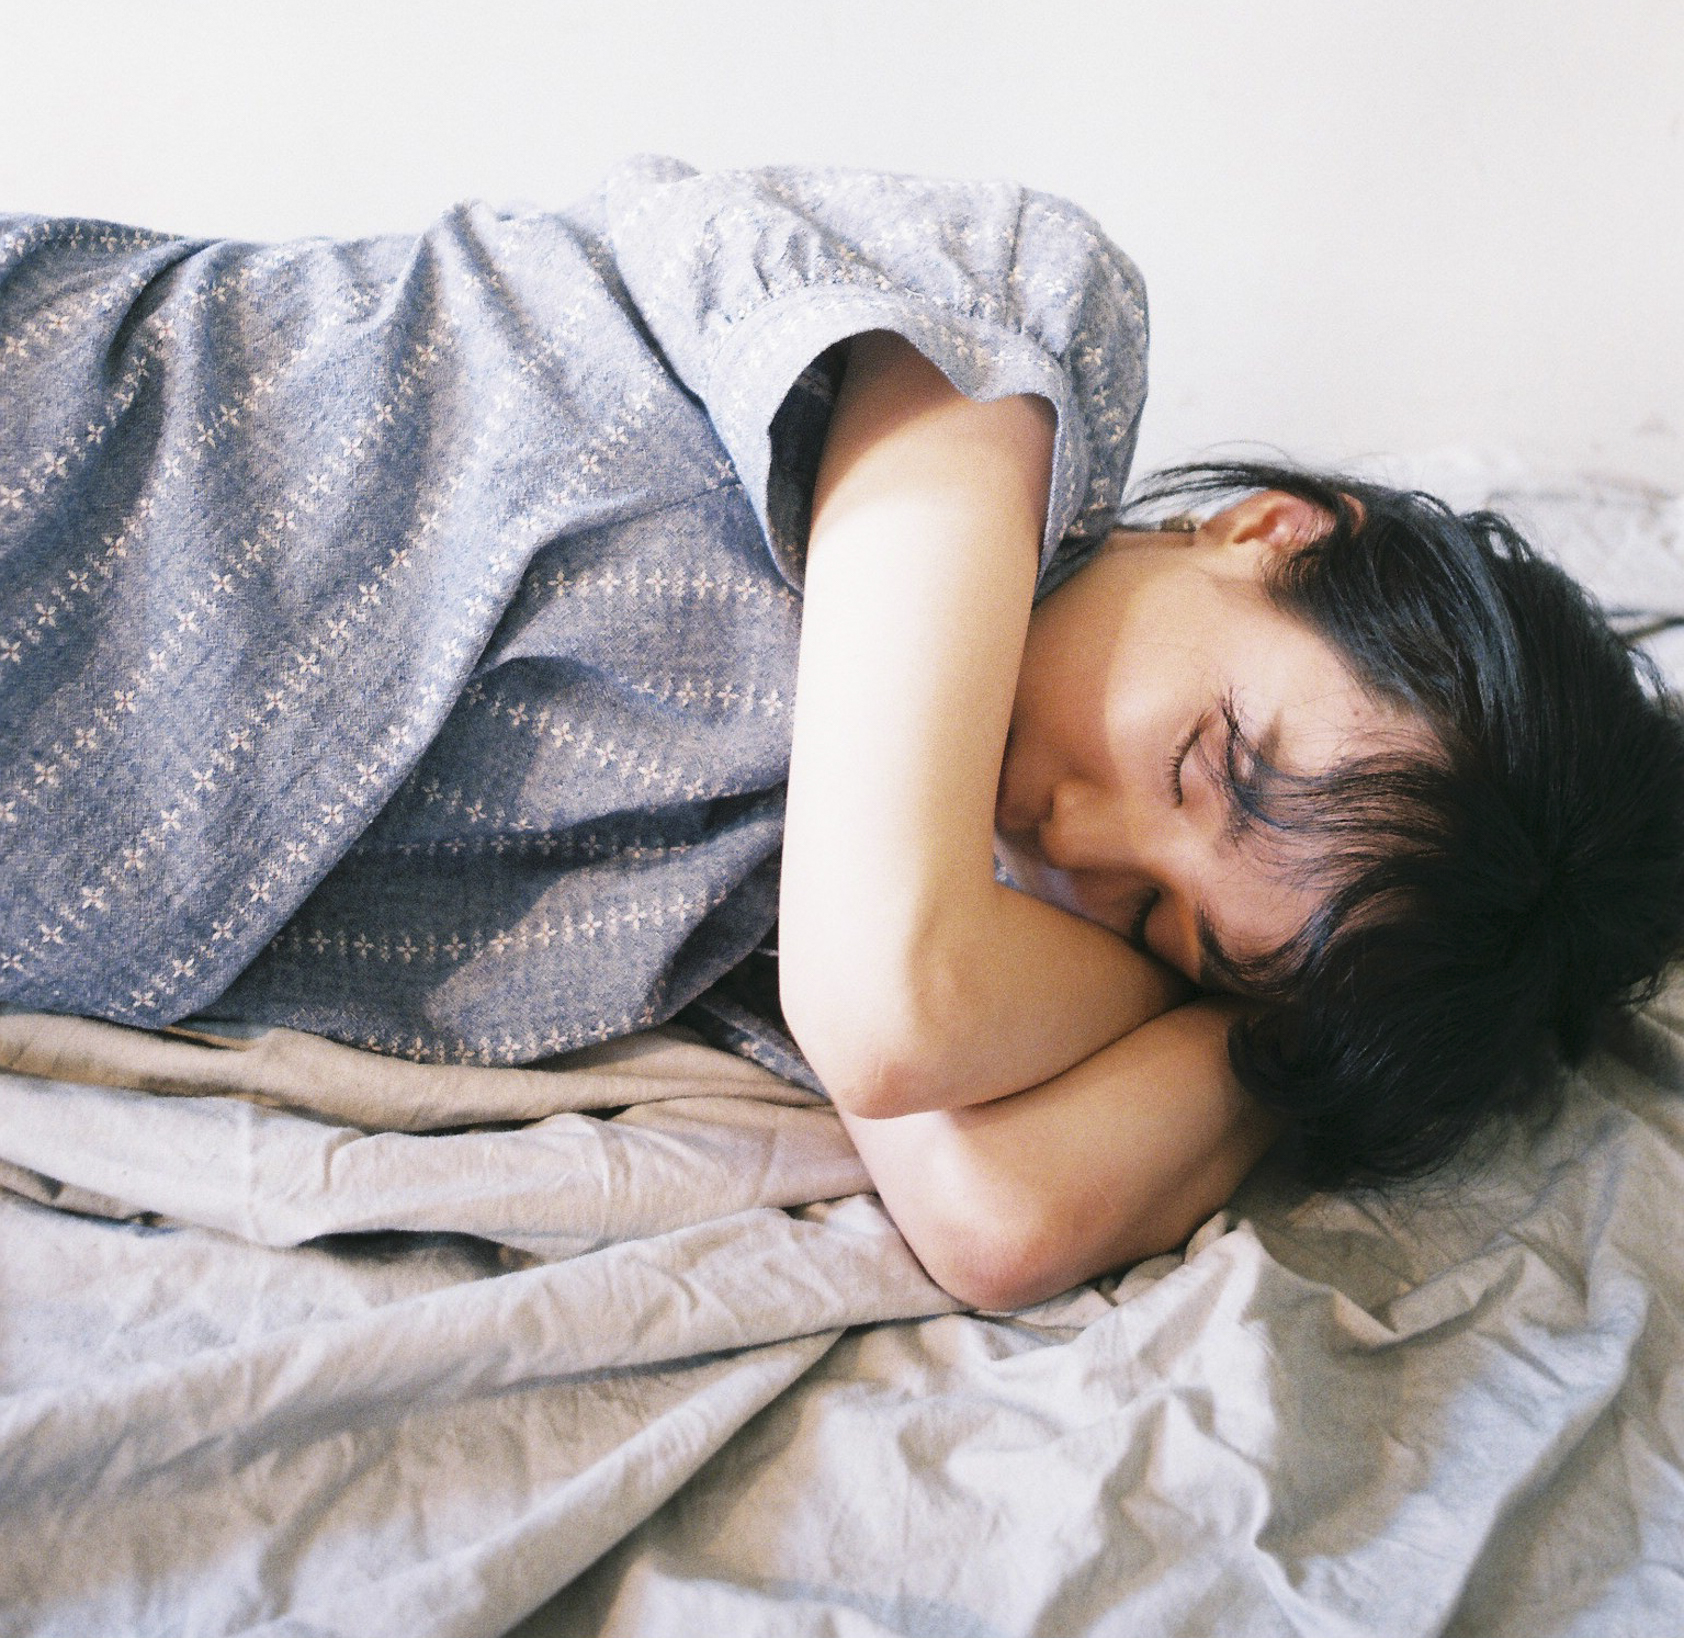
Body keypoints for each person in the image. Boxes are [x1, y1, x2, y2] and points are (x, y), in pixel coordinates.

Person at [2, 160, 1680, 1308]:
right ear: (1272, 531)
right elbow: (897, 1010)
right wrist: (1215, 991)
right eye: (1202, 767)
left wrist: (1289, 1020)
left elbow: (1003, 1222)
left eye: (1162, 923)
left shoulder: (837, 887)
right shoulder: (998, 359)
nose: (1081, 847)